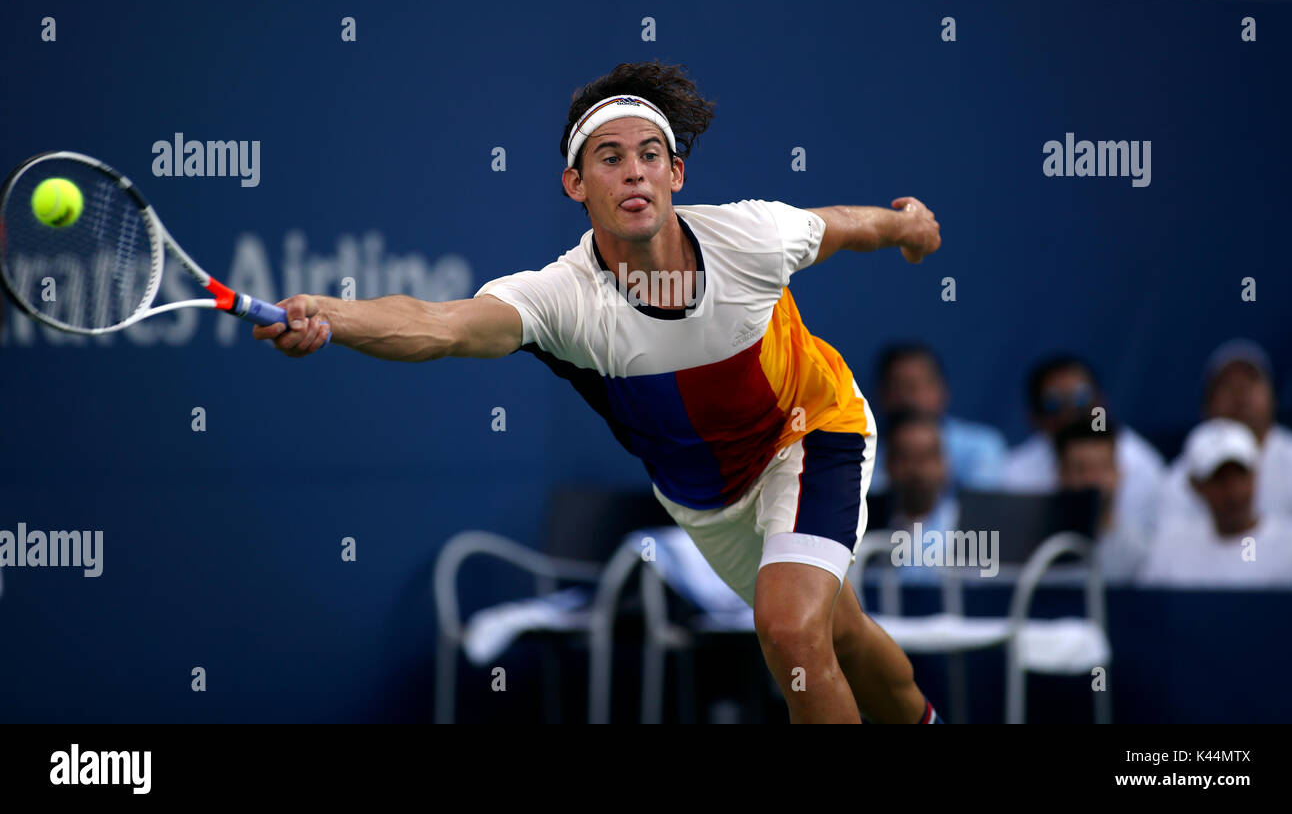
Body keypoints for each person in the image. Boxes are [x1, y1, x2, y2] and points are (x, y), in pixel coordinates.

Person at [254, 60, 946, 724]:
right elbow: (439, 325)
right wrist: (332, 315)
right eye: (609, 158)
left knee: (791, 634)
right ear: (575, 184)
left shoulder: (751, 238)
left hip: (810, 431)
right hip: (707, 500)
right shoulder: (562, 299)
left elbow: (847, 225)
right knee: (837, 634)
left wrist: (907, 225)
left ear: (676, 172)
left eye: (650, 154)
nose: (634, 170)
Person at [1002, 355, 1164, 538]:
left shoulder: (1141, 463)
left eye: (1081, 397)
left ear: (1101, 402)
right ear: (1034, 417)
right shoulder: (1014, 470)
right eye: (1052, 404)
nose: (1070, 411)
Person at [1139, 419, 1292, 589]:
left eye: (1241, 476)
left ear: (1255, 476)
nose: (1234, 492)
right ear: (1196, 486)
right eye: (1220, 480)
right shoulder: (1170, 548)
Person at [1157, 339, 1292, 526]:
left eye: (1250, 382)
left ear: (1273, 396)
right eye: (1227, 385)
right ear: (1207, 405)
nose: (1240, 394)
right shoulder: (1179, 480)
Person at [870, 342, 1006, 492]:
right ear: (880, 395)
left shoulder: (981, 446)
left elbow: (980, 508)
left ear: (940, 391)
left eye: (913, 387)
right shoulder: (860, 453)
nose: (906, 399)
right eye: (896, 387)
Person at [1053, 421, 1147, 584]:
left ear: (1119, 473)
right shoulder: (1033, 551)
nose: (1092, 480)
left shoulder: (1141, 553)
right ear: (1061, 475)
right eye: (1080, 469)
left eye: (1102, 468)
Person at [879, 410, 961, 584]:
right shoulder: (860, 527)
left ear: (944, 463)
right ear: (887, 464)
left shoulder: (971, 524)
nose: (917, 470)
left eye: (927, 457)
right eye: (906, 458)